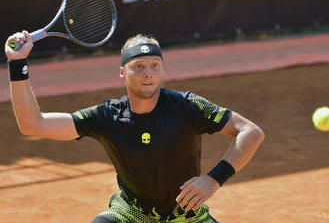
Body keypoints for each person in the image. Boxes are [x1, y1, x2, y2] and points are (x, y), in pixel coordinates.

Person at [5, 31, 265, 223]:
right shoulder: (106, 116)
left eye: (155, 65)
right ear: (122, 72)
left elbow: (251, 132)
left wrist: (213, 180)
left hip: (188, 217)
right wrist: (17, 64)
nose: (148, 73)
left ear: (162, 70)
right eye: (138, 67)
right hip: (129, 214)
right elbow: (33, 124)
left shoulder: (187, 105)